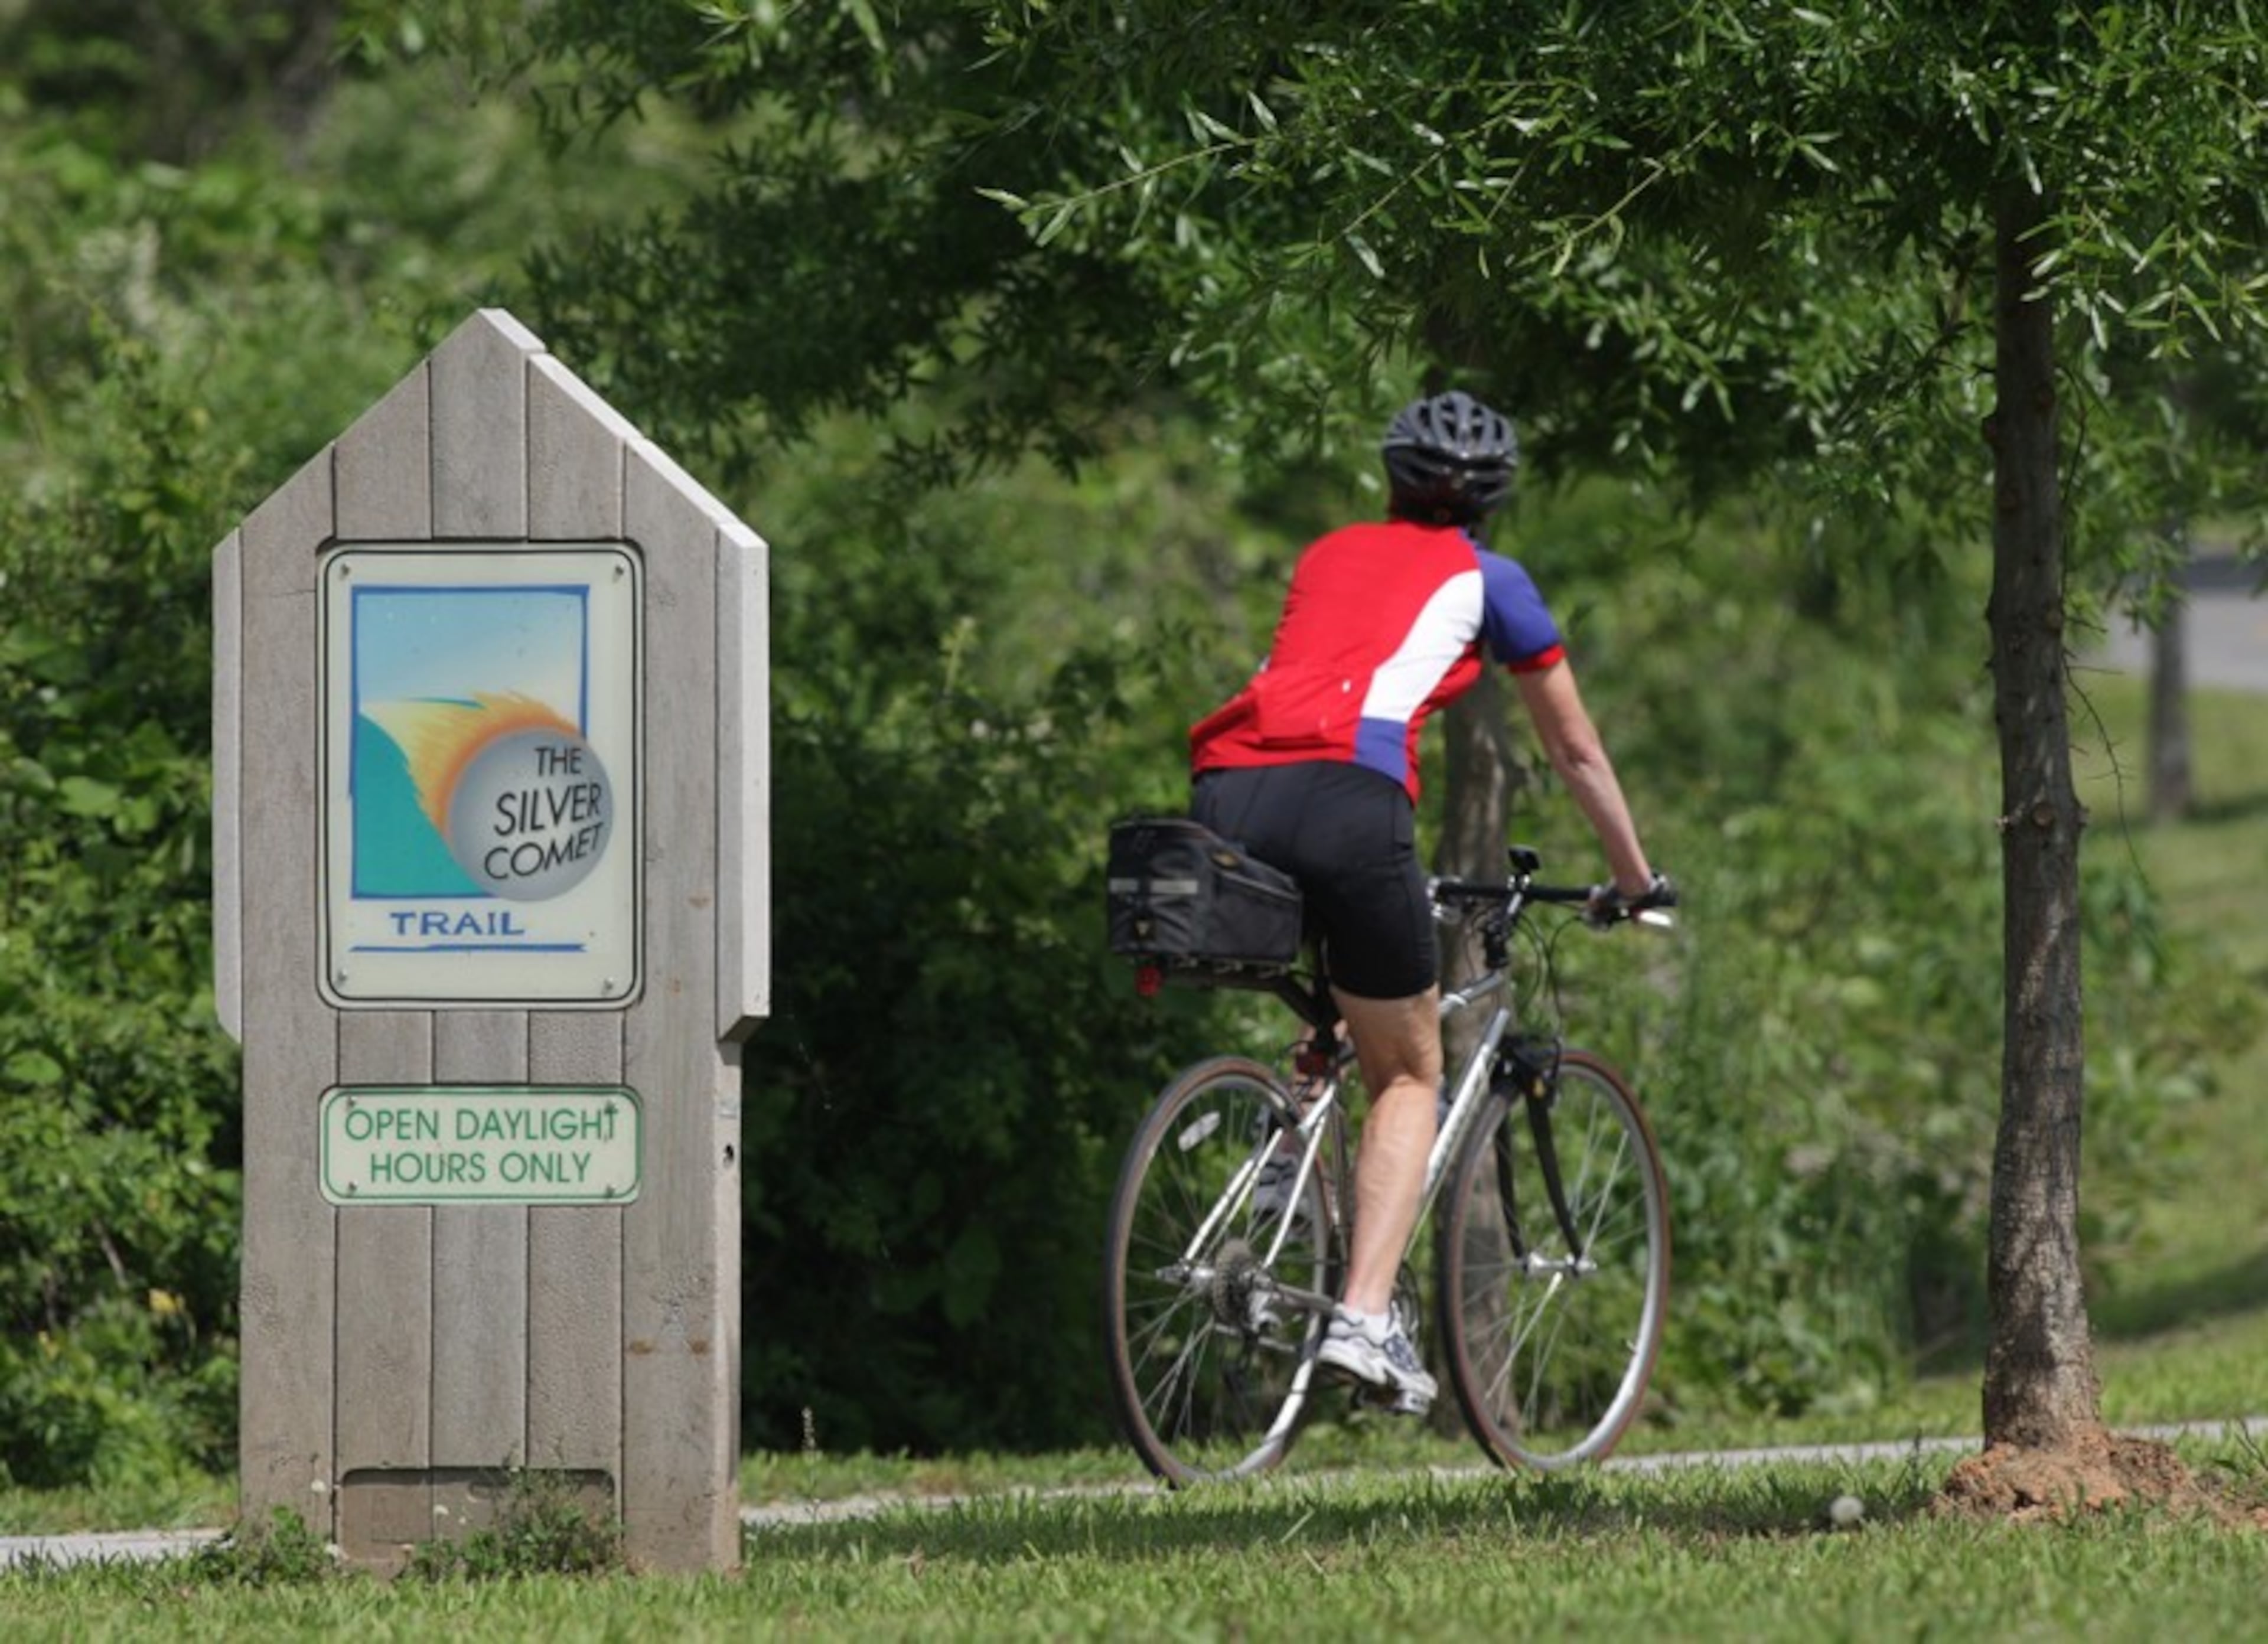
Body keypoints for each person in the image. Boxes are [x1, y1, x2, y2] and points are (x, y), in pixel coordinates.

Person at [1187, 389, 1669, 1413]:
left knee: (1335, 1018)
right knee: (1408, 1071)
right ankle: (1363, 1319)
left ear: (1392, 476)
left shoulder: (1326, 553)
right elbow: (1575, 748)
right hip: (1350, 800)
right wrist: (1634, 882)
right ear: (1493, 496)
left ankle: (1282, 1172)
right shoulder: (1494, 580)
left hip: (1226, 792)